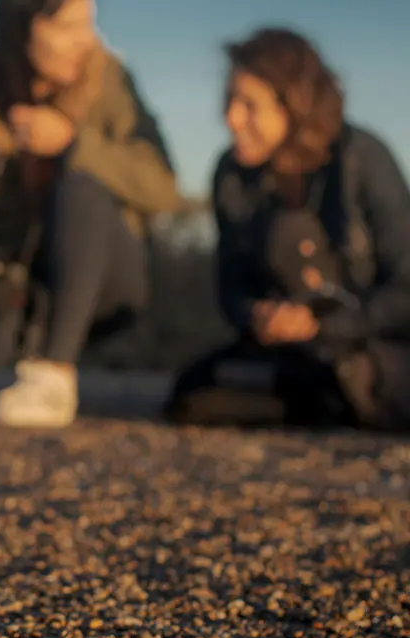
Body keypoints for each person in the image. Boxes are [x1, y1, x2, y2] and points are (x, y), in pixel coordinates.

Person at [0, 0, 181, 428]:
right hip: (23, 274)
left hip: (111, 276)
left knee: (81, 184)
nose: (86, 39)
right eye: (67, 26)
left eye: (88, 23)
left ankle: (54, 375)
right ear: (21, 30)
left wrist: (72, 143)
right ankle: (28, 337)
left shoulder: (112, 83)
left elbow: (165, 189)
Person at [164, 27, 410, 431]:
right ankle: (332, 396)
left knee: (365, 368)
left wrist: (323, 324)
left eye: (248, 104)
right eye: (229, 100)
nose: (230, 118)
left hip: (369, 339)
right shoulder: (231, 174)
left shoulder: (362, 157)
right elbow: (230, 289)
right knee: (194, 392)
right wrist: (259, 315)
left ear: (293, 106)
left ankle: (342, 389)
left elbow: (405, 290)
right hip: (289, 349)